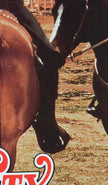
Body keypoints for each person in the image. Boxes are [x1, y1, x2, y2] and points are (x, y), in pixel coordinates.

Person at [0, 0, 70, 154]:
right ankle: (47, 122)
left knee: (51, 57)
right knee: (50, 57)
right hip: (12, 6)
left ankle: (47, 119)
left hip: (12, 5)